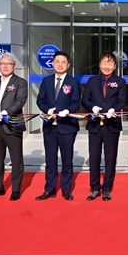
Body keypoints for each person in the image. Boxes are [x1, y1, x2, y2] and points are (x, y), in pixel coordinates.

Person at [0, 52, 28, 201]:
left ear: (14, 66)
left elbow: (20, 101)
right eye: (3, 64)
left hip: (12, 125)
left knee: (16, 160)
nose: (5, 66)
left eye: (9, 64)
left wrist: (6, 112)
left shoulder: (20, 82)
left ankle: (16, 189)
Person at [35, 51, 81, 201]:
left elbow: (76, 102)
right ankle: (50, 189)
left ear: (68, 65)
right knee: (50, 159)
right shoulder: (46, 81)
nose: (60, 64)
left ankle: (66, 190)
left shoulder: (73, 82)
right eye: (57, 62)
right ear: (53, 64)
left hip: (67, 126)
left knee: (67, 160)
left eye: (63, 62)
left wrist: (68, 111)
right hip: (50, 126)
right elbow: (40, 100)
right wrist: (47, 109)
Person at [81, 52, 127, 201]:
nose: (107, 66)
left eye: (110, 63)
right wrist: (92, 107)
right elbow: (84, 99)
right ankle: (95, 187)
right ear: (100, 64)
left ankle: (107, 188)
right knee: (94, 157)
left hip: (112, 125)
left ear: (115, 66)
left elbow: (122, 100)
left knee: (110, 158)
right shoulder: (92, 81)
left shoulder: (120, 82)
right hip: (94, 125)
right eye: (105, 63)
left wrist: (114, 110)